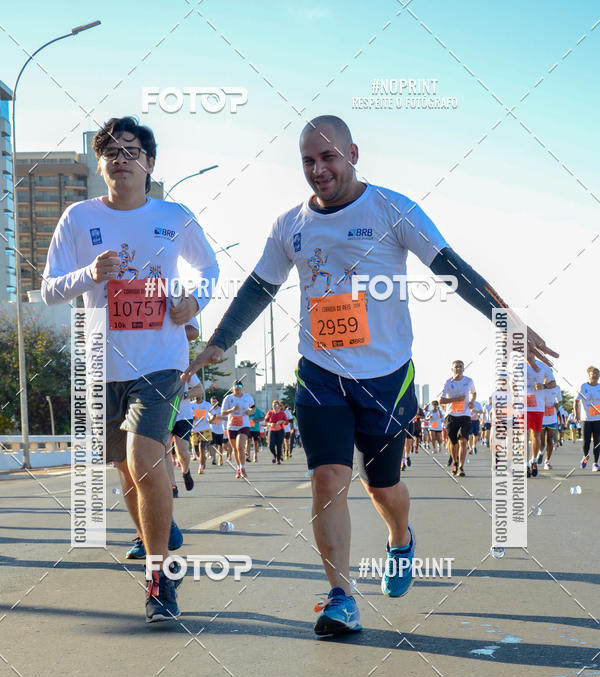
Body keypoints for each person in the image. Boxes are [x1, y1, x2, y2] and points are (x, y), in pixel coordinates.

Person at [182, 114, 556, 637]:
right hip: (320, 371)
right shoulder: (290, 224)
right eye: (308, 161)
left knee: (384, 488)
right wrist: (216, 345)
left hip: (385, 375)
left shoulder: (391, 208)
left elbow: (452, 269)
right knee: (327, 478)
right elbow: (257, 288)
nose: (319, 170)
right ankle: (341, 597)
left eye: (328, 157)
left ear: (353, 154)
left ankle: (400, 539)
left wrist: (508, 323)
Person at [42, 116, 218, 622]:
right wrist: (89, 274)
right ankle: (157, 528)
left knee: (144, 462)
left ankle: (160, 579)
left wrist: (194, 302)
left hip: (160, 360)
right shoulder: (78, 218)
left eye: (131, 151)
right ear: (101, 165)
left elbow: (208, 270)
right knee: (126, 470)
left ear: (149, 163)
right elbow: (51, 288)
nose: (121, 159)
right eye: (112, 152)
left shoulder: (174, 215)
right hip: (103, 363)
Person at [439, 360, 475, 477]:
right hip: (451, 416)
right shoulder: (448, 382)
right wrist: (456, 399)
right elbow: (441, 401)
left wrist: (471, 401)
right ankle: (454, 461)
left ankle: (461, 467)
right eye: (456, 367)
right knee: (453, 443)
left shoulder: (469, 381)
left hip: (465, 415)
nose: (458, 369)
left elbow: (474, 393)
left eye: (460, 367)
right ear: (452, 369)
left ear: (463, 369)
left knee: (463, 441)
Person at [526, 357, 556, 477]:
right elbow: (511, 384)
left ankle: (533, 461)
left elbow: (553, 383)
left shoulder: (543, 366)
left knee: (536, 435)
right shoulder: (517, 365)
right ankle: (525, 464)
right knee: (524, 435)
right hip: (522, 407)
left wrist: (544, 386)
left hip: (537, 407)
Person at [222, 380, 255, 478]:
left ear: (242, 387)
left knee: (240, 446)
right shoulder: (228, 398)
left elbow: (253, 407)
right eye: (235, 386)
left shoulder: (247, 397)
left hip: (244, 425)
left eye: (239, 385)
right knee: (235, 449)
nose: (237, 387)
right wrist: (231, 410)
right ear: (232, 387)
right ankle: (238, 468)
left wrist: (250, 412)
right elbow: (223, 412)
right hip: (232, 426)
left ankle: (243, 467)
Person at [575, 366, 600, 472]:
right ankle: (585, 457)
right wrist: (577, 415)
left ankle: (595, 463)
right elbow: (576, 401)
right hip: (586, 419)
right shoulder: (583, 386)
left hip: (598, 418)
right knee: (586, 442)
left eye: (597, 373)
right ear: (589, 375)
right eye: (593, 373)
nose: (595, 375)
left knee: (597, 441)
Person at [207, 396, 225, 465]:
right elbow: (207, 418)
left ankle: (220, 458)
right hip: (212, 429)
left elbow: (226, 418)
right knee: (213, 444)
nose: (213, 403)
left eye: (215, 401)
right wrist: (209, 420)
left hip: (220, 429)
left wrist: (219, 417)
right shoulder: (209, 410)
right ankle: (214, 458)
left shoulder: (221, 409)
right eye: (212, 402)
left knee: (220, 445)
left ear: (217, 402)